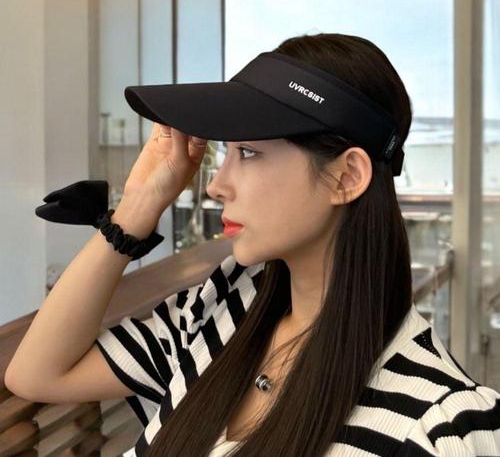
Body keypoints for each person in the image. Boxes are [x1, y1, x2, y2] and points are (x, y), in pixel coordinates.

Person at [5, 33, 500, 457]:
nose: (216, 185)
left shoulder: (441, 426)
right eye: (225, 153)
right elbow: (36, 374)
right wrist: (137, 207)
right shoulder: (217, 313)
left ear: (347, 176)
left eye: (247, 152)